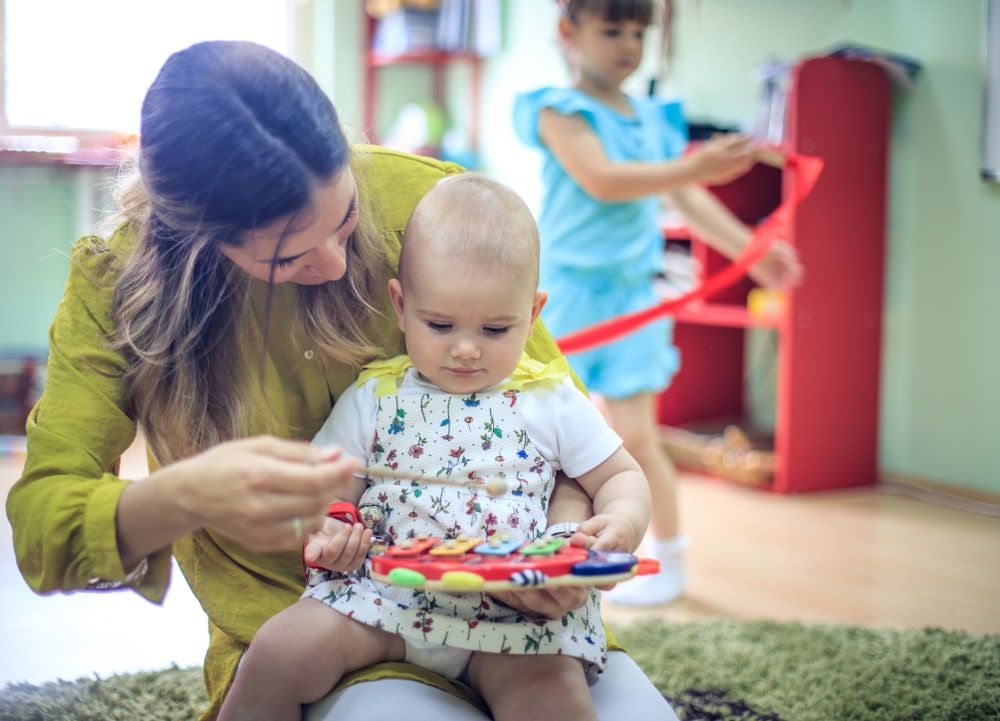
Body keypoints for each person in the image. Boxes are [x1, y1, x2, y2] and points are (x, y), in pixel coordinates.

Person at [5, 40, 677, 721]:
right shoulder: (116, 281)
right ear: (200, 241)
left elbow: (570, 446)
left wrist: (554, 550)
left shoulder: (438, 205)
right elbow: (42, 526)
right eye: (288, 257)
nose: (332, 263)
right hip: (350, 609)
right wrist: (183, 497)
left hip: (523, 624)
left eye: (347, 217)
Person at [218, 173, 655, 721]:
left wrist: (621, 526)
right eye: (441, 324)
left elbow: (621, 476)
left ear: (534, 315)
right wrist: (328, 525)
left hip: (515, 616)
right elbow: (323, 489)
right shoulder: (373, 396)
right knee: (275, 656)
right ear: (400, 306)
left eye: (496, 329)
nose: (467, 349)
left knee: (554, 702)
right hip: (382, 599)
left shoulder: (550, 398)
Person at [514, 0, 803, 606]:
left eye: (638, 31)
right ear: (569, 33)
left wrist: (754, 252)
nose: (627, 43)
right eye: (611, 29)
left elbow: (688, 197)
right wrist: (691, 165)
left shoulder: (653, 118)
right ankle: (543, 558)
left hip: (635, 300)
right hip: (562, 299)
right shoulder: (556, 110)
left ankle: (668, 561)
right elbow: (603, 179)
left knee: (638, 439)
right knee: (548, 440)